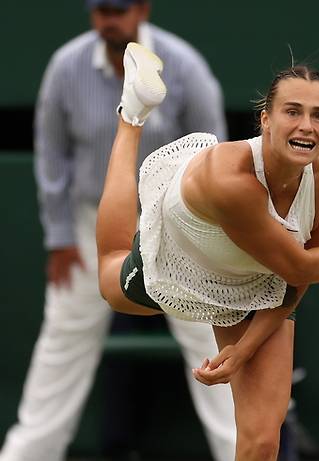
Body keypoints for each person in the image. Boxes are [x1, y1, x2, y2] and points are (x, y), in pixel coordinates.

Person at [96, 42, 319, 461]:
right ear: (265, 120)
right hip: (186, 256)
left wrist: (245, 349)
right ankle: (131, 116)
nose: (307, 126)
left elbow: (297, 277)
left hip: (259, 282)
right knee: (111, 274)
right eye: (293, 112)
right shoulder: (230, 181)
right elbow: (298, 262)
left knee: (262, 440)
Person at [0, 2, 237, 461]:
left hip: (178, 224)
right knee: (63, 339)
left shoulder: (185, 64)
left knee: (211, 343)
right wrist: (60, 237)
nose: (109, 18)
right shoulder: (66, 67)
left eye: (119, 7)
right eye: (100, 9)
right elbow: (51, 157)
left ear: (141, 9)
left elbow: (216, 154)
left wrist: (210, 235)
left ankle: (240, 453)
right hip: (90, 221)